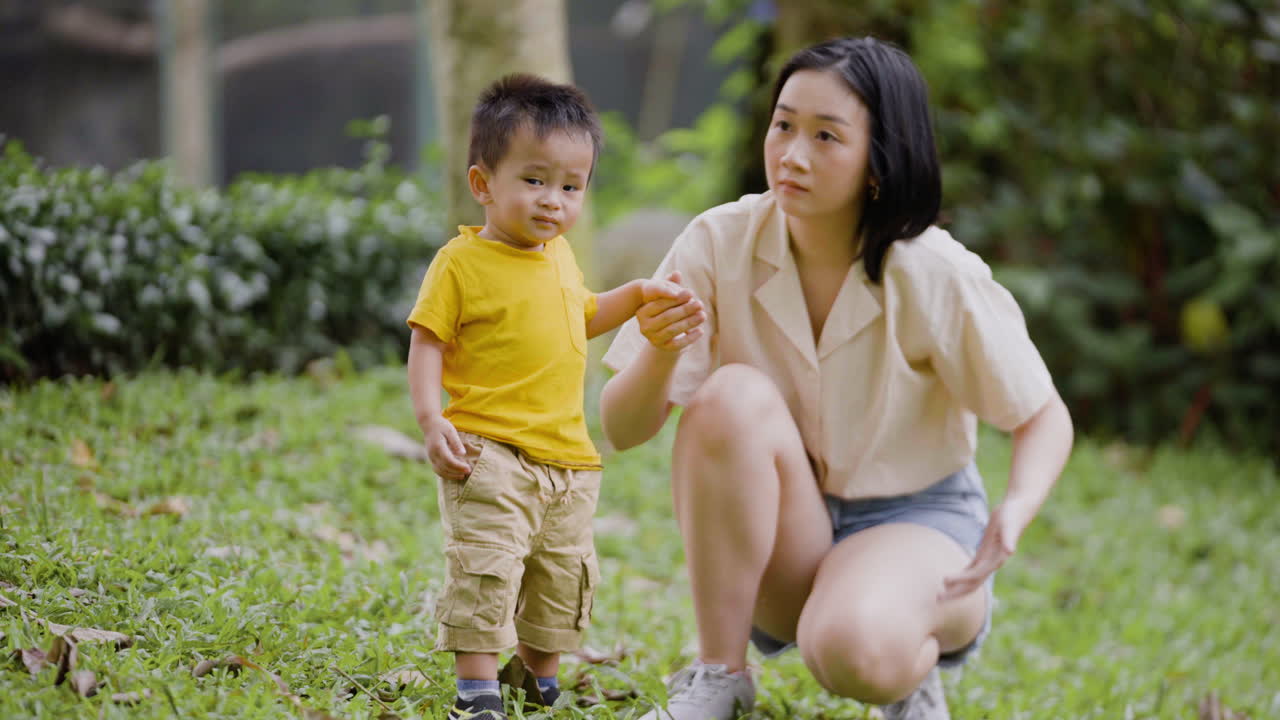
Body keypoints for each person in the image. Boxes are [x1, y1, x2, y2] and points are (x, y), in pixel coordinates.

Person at [600, 37, 1074, 720]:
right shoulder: (718, 240)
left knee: (852, 650)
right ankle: (717, 678)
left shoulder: (933, 270)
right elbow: (621, 429)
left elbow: (1042, 416)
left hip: (917, 523)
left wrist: (1017, 510)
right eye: (783, 125)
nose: (792, 155)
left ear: (878, 161)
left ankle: (907, 671)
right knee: (729, 396)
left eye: (826, 136)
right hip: (786, 532)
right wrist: (660, 351)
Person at [406, 74, 706, 720]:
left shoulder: (561, 256)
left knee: (561, 577)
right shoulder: (460, 263)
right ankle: (476, 691)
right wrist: (431, 419)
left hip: (568, 462)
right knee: (486, 569)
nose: (553, 201)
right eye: (534, 180)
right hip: (488, 451)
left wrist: (638, 296)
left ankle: (537, 680)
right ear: (483, 183)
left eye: (571, 187)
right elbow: (427, 341)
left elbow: (583, 314)